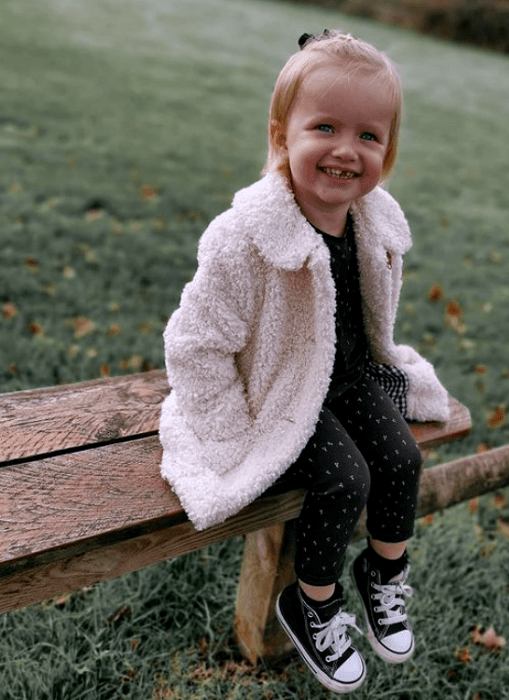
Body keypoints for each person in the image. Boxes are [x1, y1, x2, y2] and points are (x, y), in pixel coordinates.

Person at [159, 29, 451, 693]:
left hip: (344, 378)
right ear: (281, 134)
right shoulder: (244, 236)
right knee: (343, 478)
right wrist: (228, 431)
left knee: (401, 459)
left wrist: (385, 373)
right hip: (276, 392)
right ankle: (311, 601)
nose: (346, 151)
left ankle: (383, 572)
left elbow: (368, 322)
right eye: (324, 126)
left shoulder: (370, 221)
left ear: (388, 149)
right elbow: (195, 343)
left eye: (369, 136)